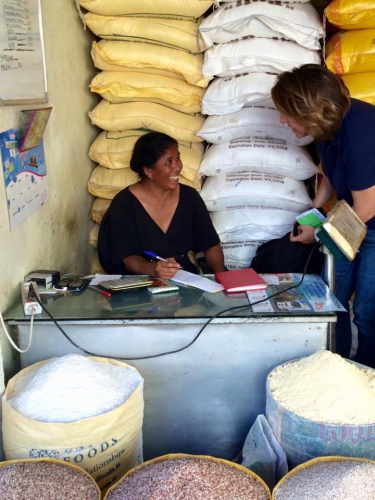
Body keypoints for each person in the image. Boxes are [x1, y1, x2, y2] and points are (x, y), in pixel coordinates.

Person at [271, 64, 375, 368]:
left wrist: (318, 234)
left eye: (287, 114)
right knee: (331, 299)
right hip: (352, 216)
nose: (282, 120)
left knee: (368, 313)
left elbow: (367, 206)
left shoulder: (360, 134)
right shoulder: (324, 127)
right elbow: (330, 173)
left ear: (310, 110)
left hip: (371, 222)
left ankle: (367, 381)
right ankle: (335, 368)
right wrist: (315, 208)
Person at [98, 132, 225, 280]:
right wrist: (153, 269)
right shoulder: (124, 204)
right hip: (141, 286)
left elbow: (211, 245)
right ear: (148, 171)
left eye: (178, 158)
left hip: (186, 282)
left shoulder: (189, 197)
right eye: (168, 161)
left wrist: (222, 280)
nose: (177, 167)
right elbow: (128, 258)